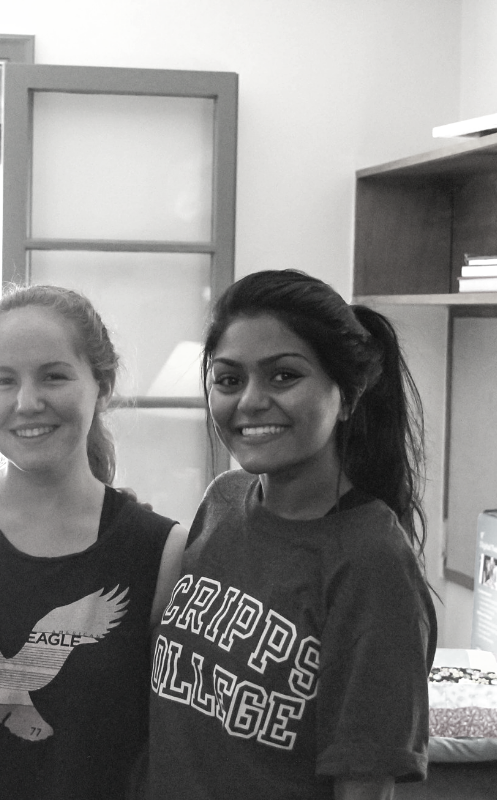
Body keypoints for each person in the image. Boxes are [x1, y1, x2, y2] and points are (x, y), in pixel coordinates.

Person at [143, 269, 435, 800]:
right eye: (228, 380)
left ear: (346, 396)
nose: (250, 401)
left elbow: (364, 784)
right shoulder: (223, 500)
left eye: (283, 377)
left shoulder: (371, 560)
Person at [0, 285, 190, 799]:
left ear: (100, 386)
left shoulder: (161, 552)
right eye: (4, 380)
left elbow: (171, 743)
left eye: (54, 376)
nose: (27, 402)